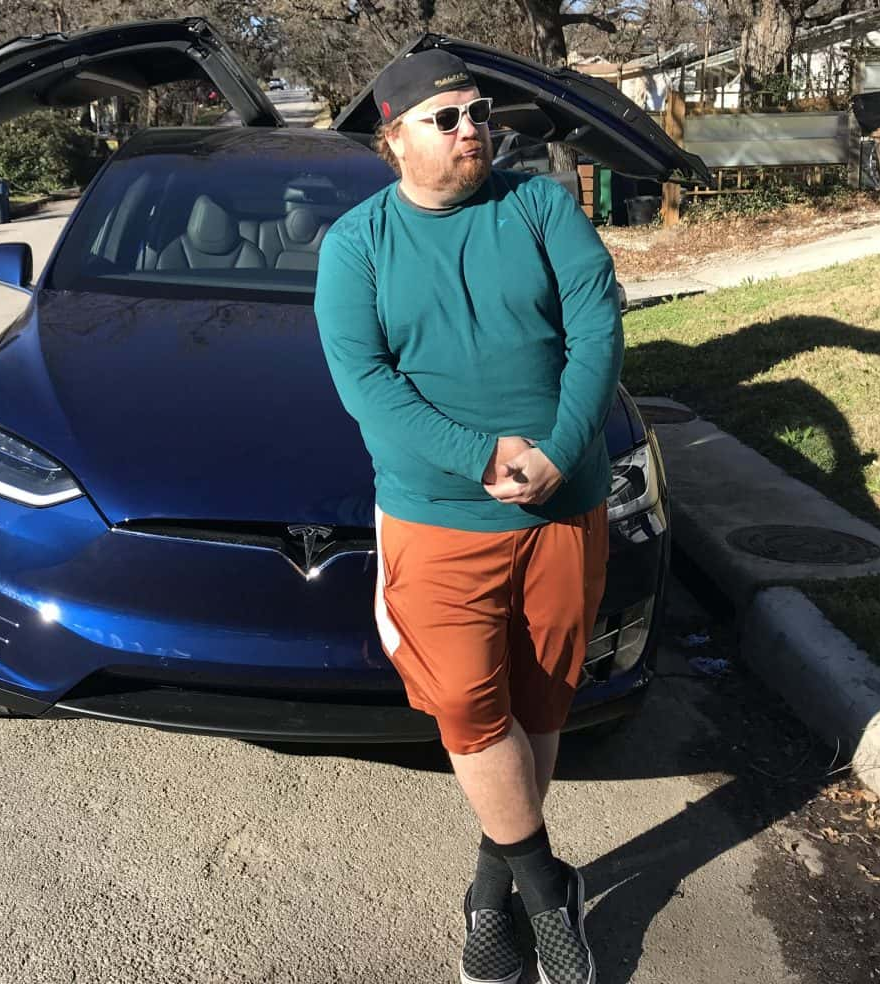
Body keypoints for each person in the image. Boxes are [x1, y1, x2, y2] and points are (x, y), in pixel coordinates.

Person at [314, 47, 622, 984]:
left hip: (564, 506)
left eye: (477, 111)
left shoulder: (537, 207)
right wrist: (481, 456)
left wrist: (560, 449)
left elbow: (598, 324)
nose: (470, 129)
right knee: (463, 704)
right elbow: (364, 382)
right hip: (439, 516)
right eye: (444, 118)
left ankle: (491, 889)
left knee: (542, 698)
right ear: (393, 137)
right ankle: (543, 888)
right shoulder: (356, 245)